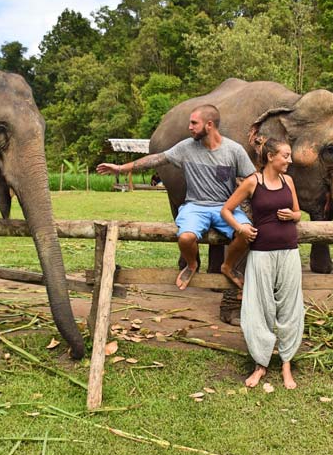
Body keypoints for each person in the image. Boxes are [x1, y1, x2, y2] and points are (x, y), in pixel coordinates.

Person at [97, 105, 255, 290]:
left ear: (209, 125)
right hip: (195, 206)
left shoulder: (234, 150)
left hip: (225, 208)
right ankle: (191, 265)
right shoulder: (186, 147)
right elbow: (155, 159)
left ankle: (227, 266)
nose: (190, 127)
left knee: (246, 233)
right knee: (186, 238)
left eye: (194, 123)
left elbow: (251, 179)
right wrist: (121, 168)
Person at [221, 137, 304, 390]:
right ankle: (261, 363)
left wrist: (293, 215)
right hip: (261, 253)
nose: (289, 160)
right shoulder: (252, 182)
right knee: (259, 308)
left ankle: (287, 363)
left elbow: (299, 213)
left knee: (291, 308)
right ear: (270, 157)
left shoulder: (288, 181)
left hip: (289, 252)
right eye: (285, 156)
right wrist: (241, 228)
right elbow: (226, 210)